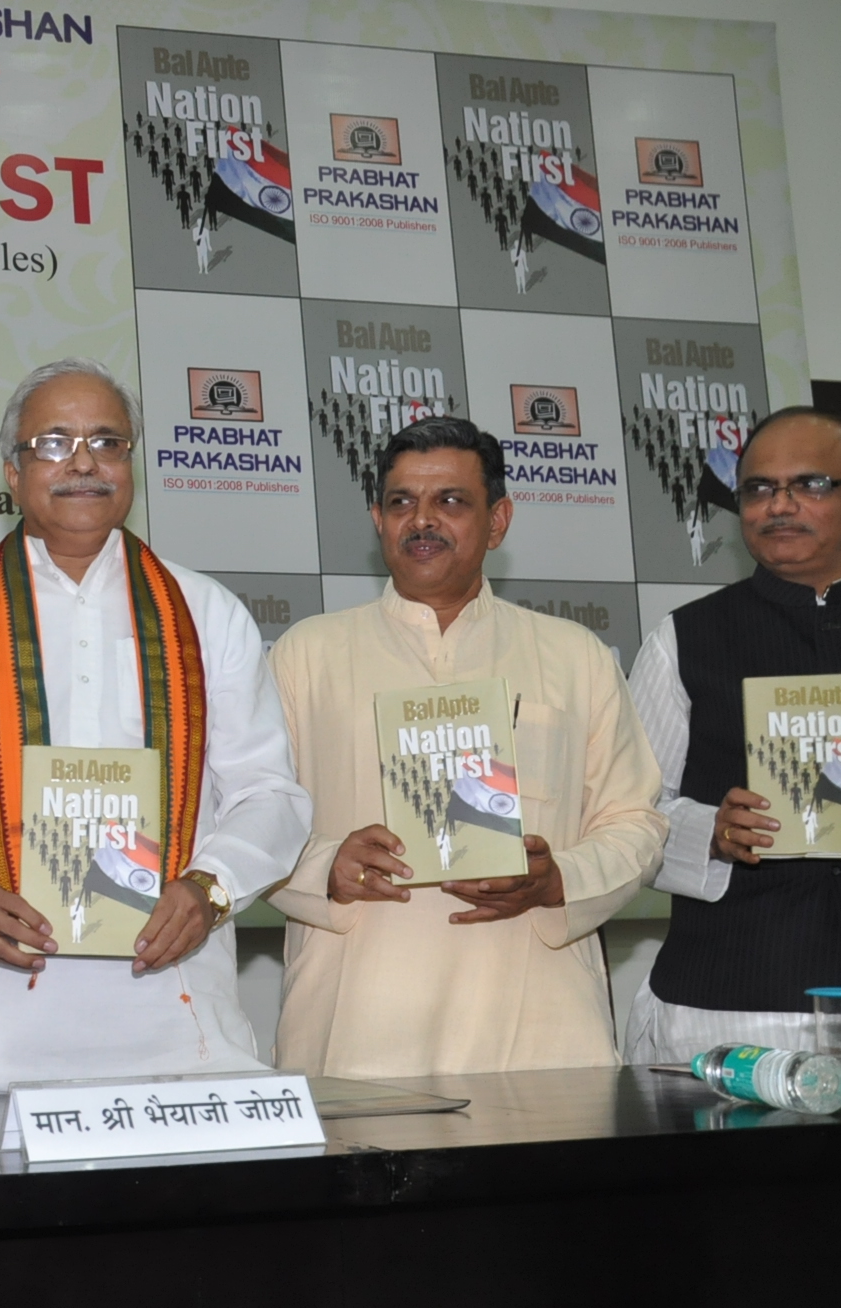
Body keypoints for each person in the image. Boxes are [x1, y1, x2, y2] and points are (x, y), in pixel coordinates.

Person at [0, 358, 312, 1094]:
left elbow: (270, 794)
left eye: (107, 442)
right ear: (12, 473)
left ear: (131, 466)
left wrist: (212, 889)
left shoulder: (207, 613)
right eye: (54, 443)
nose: (83, 461)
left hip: (174, 1029)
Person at [267, 417, 666, 1077]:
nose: (422, 520)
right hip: (357, 1026)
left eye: (450, 501)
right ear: (377, 518)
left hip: (539, 1028)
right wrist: (323, 868)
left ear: (498, 520)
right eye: (401, 503)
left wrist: (559, 878)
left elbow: (638, 821)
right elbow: (250, 816)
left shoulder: (574, 656)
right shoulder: (305, 655)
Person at [625, 407, 841, 1062]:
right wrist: (712, 834)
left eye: (809, 484)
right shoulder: (685, 638)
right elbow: (624, 816)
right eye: (757, 489)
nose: (777, 506)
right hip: (727, 1010)